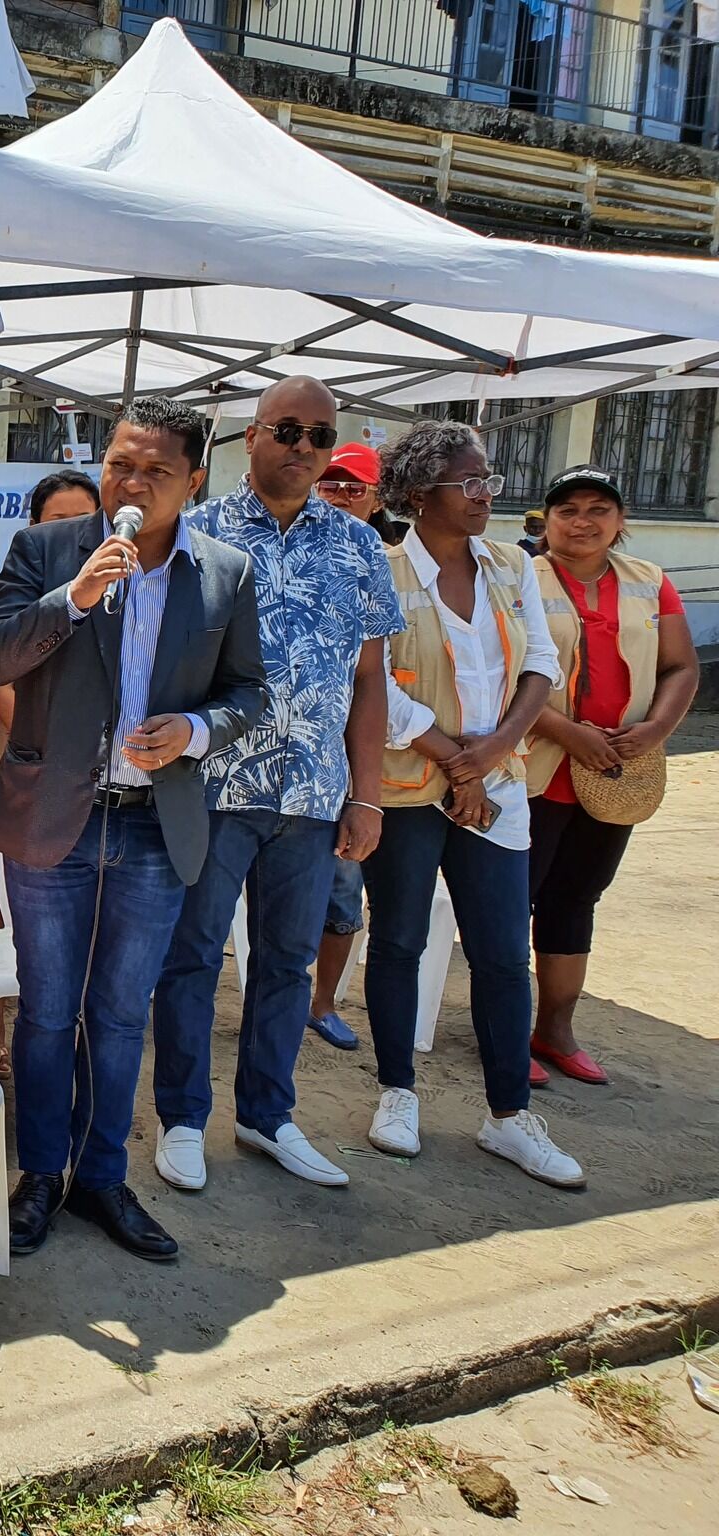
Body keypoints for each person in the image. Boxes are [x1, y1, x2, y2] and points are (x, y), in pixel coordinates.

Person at [0, 397, 265, 1263]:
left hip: (152, 826)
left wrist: (197, 732)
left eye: (155, 471)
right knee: (46, 1011)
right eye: (120, 464)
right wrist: (74, 596)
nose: (131, 484)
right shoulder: (49, 550)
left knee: (117, 1013)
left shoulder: (225, 571)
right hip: (51, 820)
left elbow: (248, 692)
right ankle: (40, 1175)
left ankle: (102, 1178)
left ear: (195, 480)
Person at [153, 379, 403, 1193]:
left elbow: (371, 682)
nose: (303, 447)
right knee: (191, 958)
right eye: (287, 430)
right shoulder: (198, 530)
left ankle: (267, 1115)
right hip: (215, 786)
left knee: (289, 965)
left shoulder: (359, 545)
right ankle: (183, 1120)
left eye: (319, 435)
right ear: (252, 437)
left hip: (313, 796)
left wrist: (366, 794)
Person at [366, 419, 585, 1189]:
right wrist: (449, 757)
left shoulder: (510, 565)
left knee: (498, 951)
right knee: (396, 940)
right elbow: (375, 687)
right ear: (422, 494)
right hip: (407, 786)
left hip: (495, 784)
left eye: (488, 479)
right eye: (471, 481)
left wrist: (488, 756)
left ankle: (508, 1116)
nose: (486, 493)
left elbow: (541, 666)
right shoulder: (384, 570)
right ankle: (397, 1093)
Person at [523, 465, 698, 1085]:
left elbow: (681, 667)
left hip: (617, 772)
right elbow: (495, 674)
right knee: (511, 901)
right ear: (547, 520)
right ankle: (508, 1027)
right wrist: (566, 731)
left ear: (620, 523)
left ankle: (556, 1029)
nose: (583, 521)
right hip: (534, 767)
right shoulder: (516, 577)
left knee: (577, 897)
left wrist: (653, 732)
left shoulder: (651, 583)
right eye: (568, 509)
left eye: (599, 509)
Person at [0, 468, 99, 1077]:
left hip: (92, 771)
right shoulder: (12, 590)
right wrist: (49, 747)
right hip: (24, 756)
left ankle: (63, 1028)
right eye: (57, 520)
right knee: (6, 896)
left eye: (83, 519)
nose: (72, 532)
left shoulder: (121, 586)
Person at [308, 441, 401, 1049]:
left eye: (355, 487)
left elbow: (379, 682)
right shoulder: (272, 548)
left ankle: (320, 1005)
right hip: (254, 768)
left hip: (341, 768)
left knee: (343, 898)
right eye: (332, 484)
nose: (342, 495)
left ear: (377, 499)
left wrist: (366, 794)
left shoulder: (379, 562)